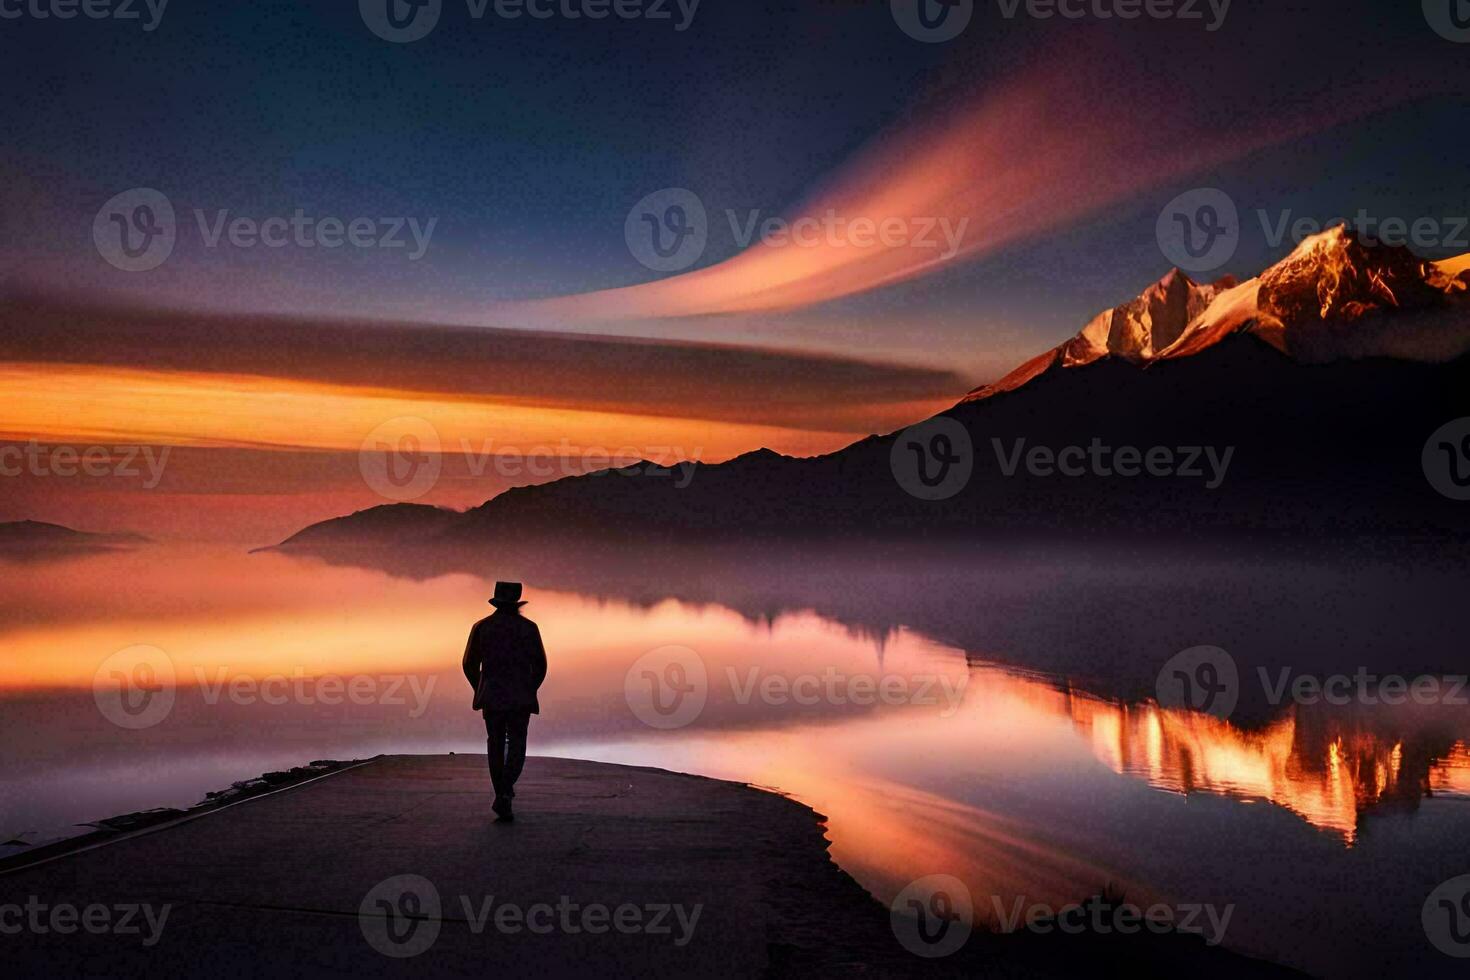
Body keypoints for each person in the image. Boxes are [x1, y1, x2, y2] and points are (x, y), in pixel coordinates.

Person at [461, 581, 547, 822]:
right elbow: (540, 665)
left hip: (492, 696)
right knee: (517, 743)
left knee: (496, 744)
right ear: (517, 604)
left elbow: (468, 664)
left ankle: (502, 791)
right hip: (520, 696)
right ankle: (505, 791)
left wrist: (481, 687)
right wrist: (530, 687)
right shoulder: (528, 628)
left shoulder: (482, 627)